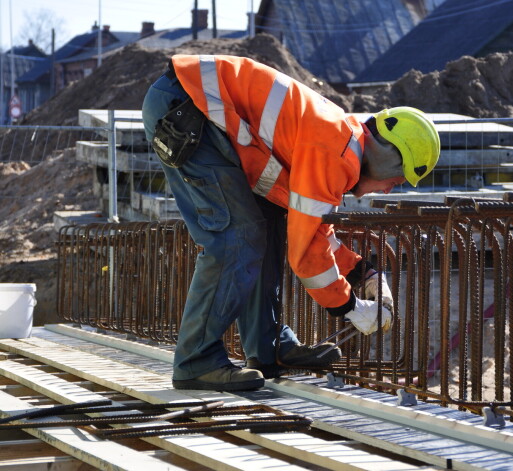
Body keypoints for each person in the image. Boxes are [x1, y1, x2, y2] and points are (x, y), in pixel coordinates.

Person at [141, 54, 440, 391]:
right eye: (397, 180)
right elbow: (306, 254)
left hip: (201, 108)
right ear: (389, 158)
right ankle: (196, 362)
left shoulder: (340, 142)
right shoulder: (336, 151)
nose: (389, 188)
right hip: (189, 106)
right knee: (236, 237)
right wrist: (351, 307)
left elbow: (311, 229)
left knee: (265, 231)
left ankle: (268, 350)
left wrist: (361, 272)